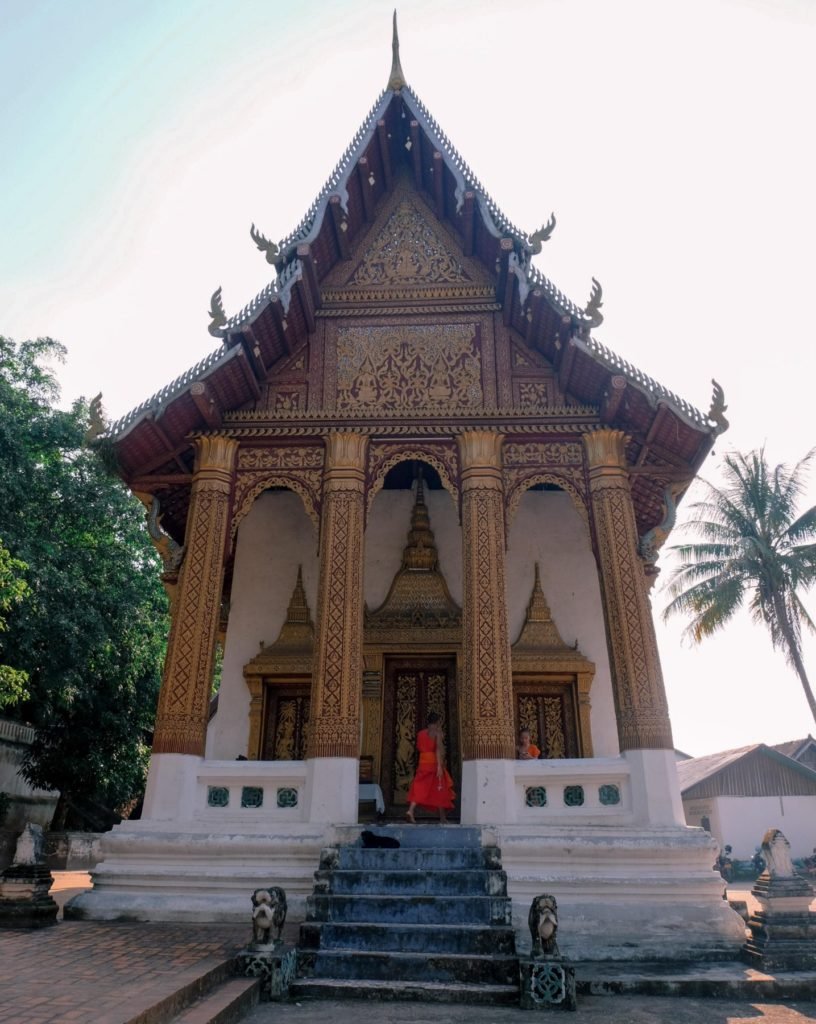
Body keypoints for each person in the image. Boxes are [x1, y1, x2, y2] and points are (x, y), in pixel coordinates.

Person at [405, 712, 455, 823]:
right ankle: (442, 817)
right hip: (433, 764)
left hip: (423, 763)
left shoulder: (420, 733)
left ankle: (411, 810)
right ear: (437, 722)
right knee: (440, 788)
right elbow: (437, 749)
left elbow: (419, 747)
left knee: (419, 787)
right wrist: (439, 766)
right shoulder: (437, 733)